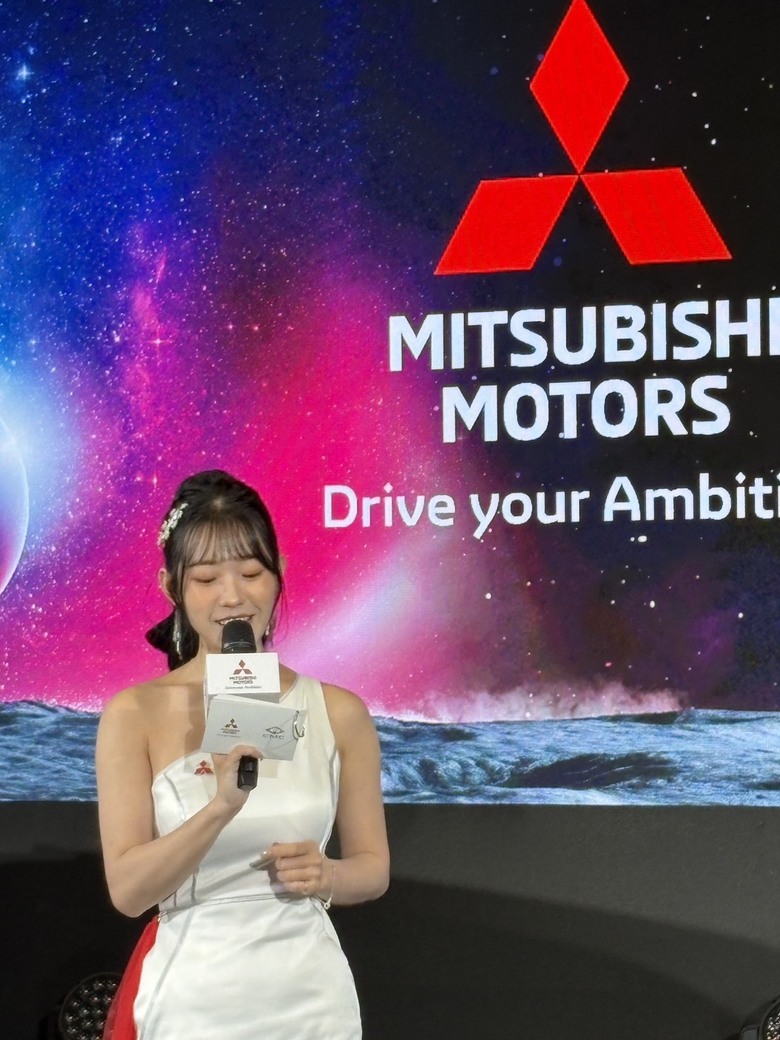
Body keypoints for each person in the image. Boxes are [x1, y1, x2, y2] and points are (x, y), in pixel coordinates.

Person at [96, 470, 389, 1039]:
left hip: (311, 1000)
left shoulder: (339, 712)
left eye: (251, 573)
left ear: (279, 571)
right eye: (207, 579)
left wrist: (328, 874)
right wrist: (220, 807)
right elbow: (129, 892)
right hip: (194, 1000)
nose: (233, 596)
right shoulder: (134, 714)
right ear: (171, 587)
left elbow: (372, 869)